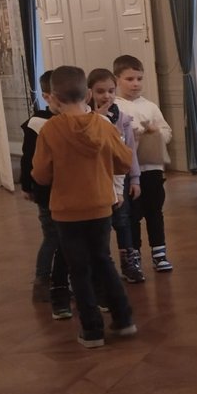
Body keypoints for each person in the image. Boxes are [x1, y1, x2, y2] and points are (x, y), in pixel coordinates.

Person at [31, 65, 136, 349]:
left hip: (66, 211)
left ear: (53, 98)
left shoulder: (50, 130)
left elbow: (41, 175)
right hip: (100, 206)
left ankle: (92, 332)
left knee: (78, 269)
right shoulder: (103, 126)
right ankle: (124, 319)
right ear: (88, 95)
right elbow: (125, 162)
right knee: (103, 260)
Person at [113, 54, 174, 273]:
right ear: (117, 79)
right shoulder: (115, 107)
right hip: (128, 171)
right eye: (129, 79)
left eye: (139, 78)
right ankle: (133, 255)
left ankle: (159, 252)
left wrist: (156, 132)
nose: (135, 83)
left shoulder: (150, 106)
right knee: (131, 214)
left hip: (152, 168)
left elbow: (167, 132)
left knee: (154, 211)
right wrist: (133, 134)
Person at [20, 70, 71, 320]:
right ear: (47, 96)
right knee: (52, 237)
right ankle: (42, 281)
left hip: (67, 190)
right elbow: (29, 158)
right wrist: (27, 186)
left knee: (65, 238)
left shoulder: (74, 119)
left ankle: (64, 279)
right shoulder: (37, 123)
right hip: (46, 191)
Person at [87, 68, 144, 283]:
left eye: (111, 91)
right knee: (98, 224)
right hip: (96, 179)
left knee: (122, 220)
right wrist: (97, 120)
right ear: (90, 92)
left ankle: (129, 262)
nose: (106, 96)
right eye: (100, 91)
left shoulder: (122, 118)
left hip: (120, 177)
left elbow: (129, 152)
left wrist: (135, 178)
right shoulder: (85, 118)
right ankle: (101, 267)